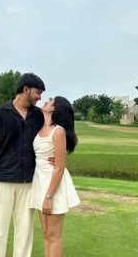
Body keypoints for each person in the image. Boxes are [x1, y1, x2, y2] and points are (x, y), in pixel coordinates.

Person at [0, 73, 45, 257]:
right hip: (1, 182)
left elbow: (48, 137)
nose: (40, 97)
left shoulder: (39, 116)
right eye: (38, 92)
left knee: (25, 232)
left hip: (28, 182)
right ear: (26, 89)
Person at [30, 96, 81, 257]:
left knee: (54, 235)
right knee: (46, 233)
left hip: (53, 186)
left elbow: (59, 168)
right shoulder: (40, 128)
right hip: (39, 183)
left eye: (51, 100)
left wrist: (48, 197)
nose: (47, 100)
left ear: (55, 108)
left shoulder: (58, 131)